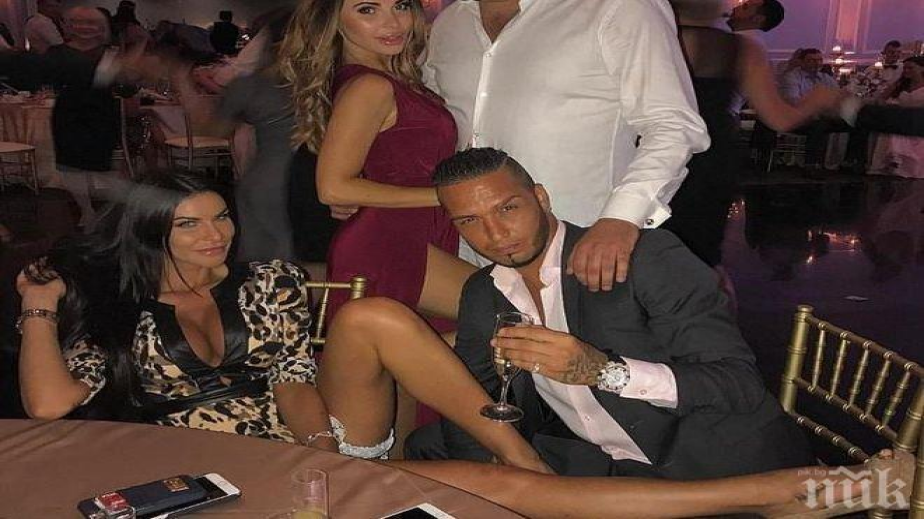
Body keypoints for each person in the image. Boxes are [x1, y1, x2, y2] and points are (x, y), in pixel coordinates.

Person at [16, 169, 547, 470]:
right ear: (150, 233)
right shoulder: (118, 302)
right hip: (195, 463)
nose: (216, 235)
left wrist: (320, 450)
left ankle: (516, 453)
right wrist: (38, 305)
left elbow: (293, 379)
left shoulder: (268, 281)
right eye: (190, 225)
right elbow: (48, 404)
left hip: (302, 436)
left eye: (221, 216)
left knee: (375, 315)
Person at [409, 148, 815, 480]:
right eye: (470, 221)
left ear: (541, 198)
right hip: (599, 463)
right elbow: (471, 395)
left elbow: (738, 384)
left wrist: (603, 372)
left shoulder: (645, 258)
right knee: (427, 448)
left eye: (508, 208)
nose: (495, 235)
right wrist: (484, 478)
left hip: (712, 458)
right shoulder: (484, 292)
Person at [423, 0, 709, 292]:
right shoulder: (450, 23)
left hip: (588, 251)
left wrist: (622, 218)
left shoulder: (619, 7)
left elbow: (672, 125)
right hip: (475, 256)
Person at [277, 0, 476, 328]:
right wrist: (448, 195)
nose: (393, 23)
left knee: (419, 349)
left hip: (412, 231)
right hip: (389, 242)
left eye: (400, 6)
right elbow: (333, 188)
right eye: (367, 10)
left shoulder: (389, 78)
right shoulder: (371, 86)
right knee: (502, 311)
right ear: (335, 21)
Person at [662, 0, 842, 268]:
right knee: (700, 248)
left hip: (656, 148)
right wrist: (817, 100)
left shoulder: (654, 36)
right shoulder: (743, 48)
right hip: (711, 152)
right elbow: (779, 118)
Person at [868, 56, 924, 178]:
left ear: (921, 68)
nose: (906, 71)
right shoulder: (900, 84)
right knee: (893, 130)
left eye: (911, 68)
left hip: (918, 123)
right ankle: (892, 162)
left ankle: (901, 163)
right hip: (901, 120)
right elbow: (880, 99)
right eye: (905, 68)